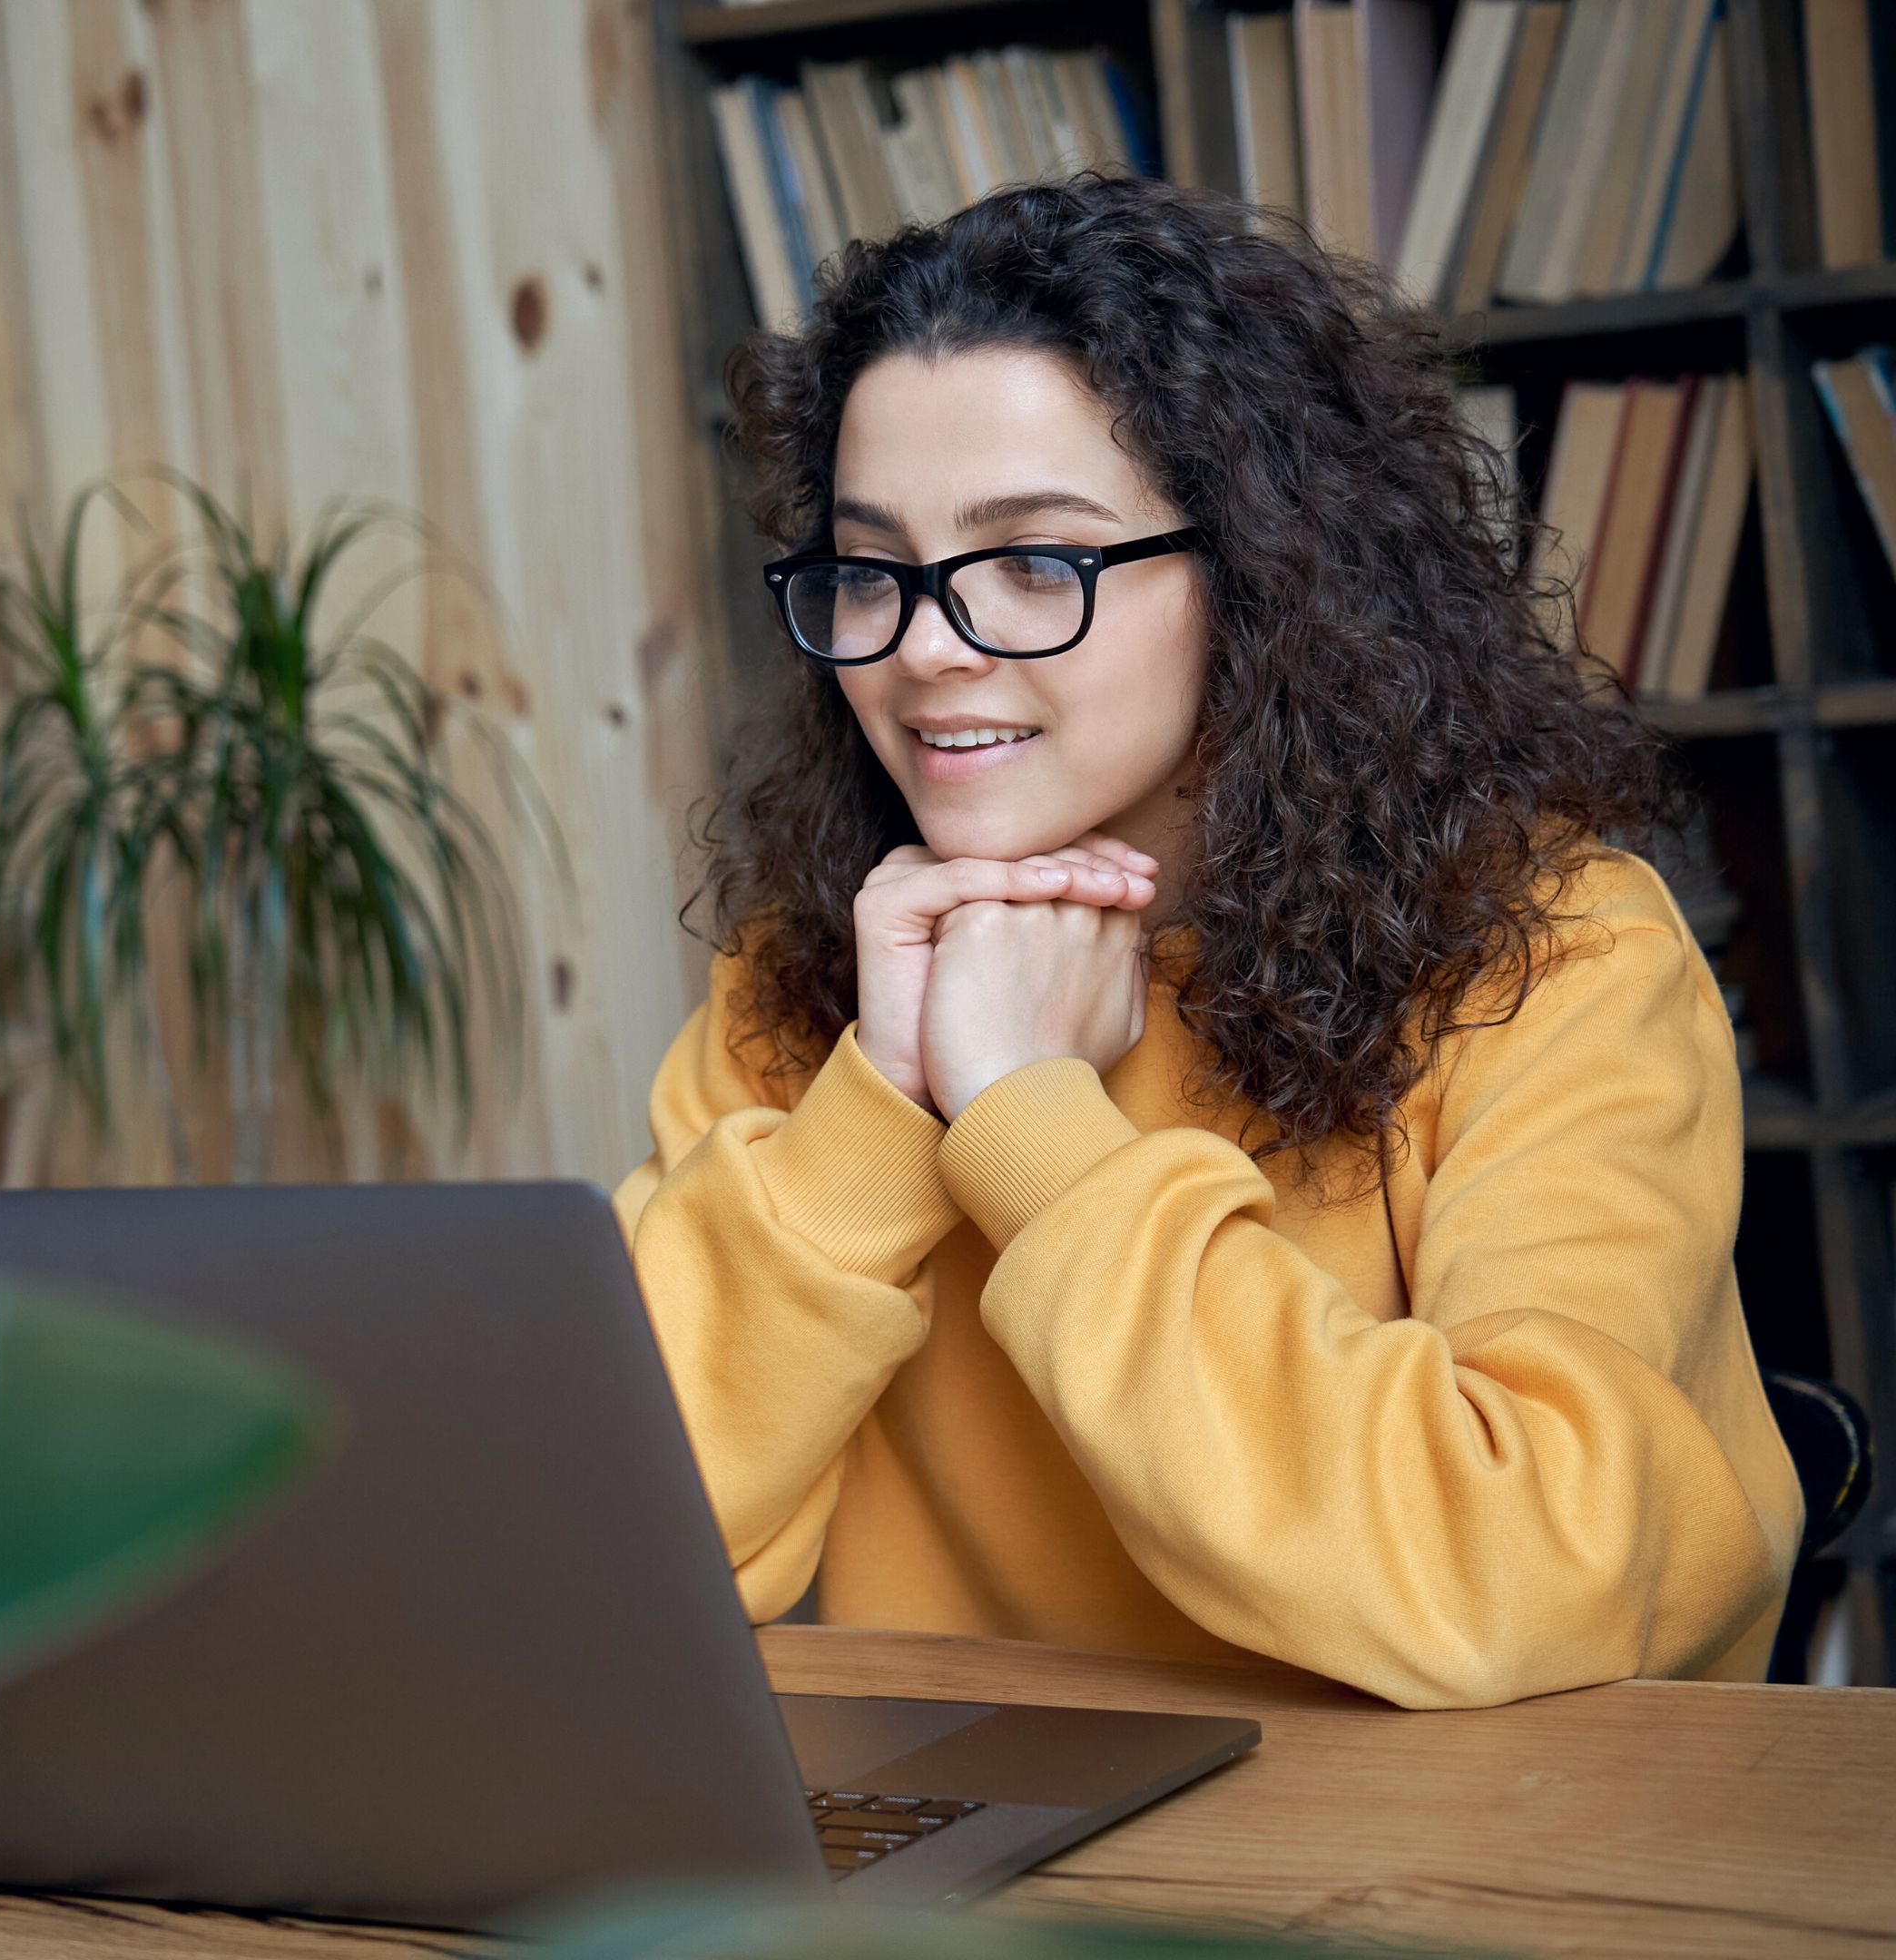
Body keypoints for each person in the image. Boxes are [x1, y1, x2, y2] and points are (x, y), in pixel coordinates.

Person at [611, 173, 1802, 1710]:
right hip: (985, 1886)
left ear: (1256, 576)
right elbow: (601, 1562)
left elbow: (1522, 1574)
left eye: (1035, 562)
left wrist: (1031, 1123)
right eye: (870, 569)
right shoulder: (808, 989)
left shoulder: (1556, 959)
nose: (920, 647)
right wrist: (882, 1107)